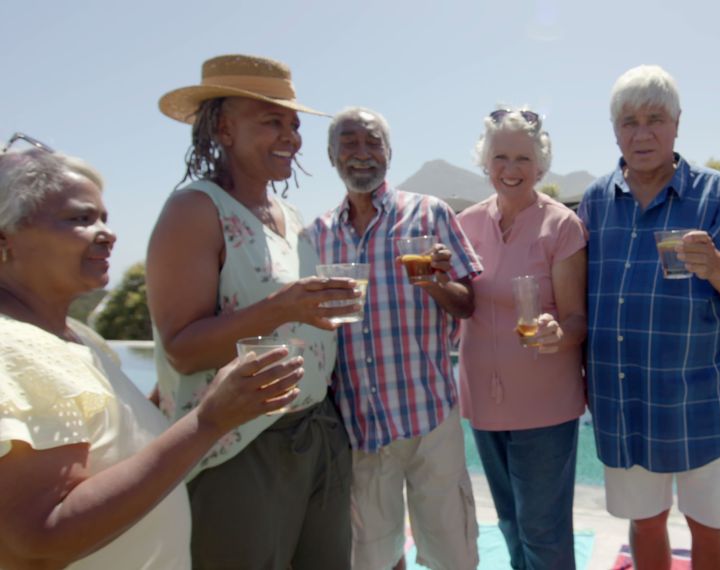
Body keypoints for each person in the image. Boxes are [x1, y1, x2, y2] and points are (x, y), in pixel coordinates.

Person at [0, 147, 304, 569]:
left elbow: (108, 445)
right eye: (80, 219)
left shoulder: (78, 338)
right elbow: (37, 542)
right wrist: (208, 421)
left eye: (104, 218)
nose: (106, 233)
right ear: (4, 240)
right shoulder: (12, 353)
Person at [148, 54, 357, 568]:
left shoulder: (290, 216)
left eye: (293, 124)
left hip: (319, 431)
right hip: (239, 447)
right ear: (222, 126)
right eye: (271, 121)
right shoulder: (195, 211)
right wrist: (284, 307)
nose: (291, 136)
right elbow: (182, 351)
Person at [577, 65, 720, 570]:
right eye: (629, 122)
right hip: (624, 398)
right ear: (614, 129)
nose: (642, 133)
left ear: (677, 124)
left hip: (701, 400)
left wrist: (717, 267)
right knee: (644, 523)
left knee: (709, 528)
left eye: (655, 119)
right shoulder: (594, 204)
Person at [307, 107, 482, 570]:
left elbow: (468, 303)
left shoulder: (430, 214)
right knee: (371, 557)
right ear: (331, 155)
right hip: (361, 423)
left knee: (453, 554)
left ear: (389, 154)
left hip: (429, 415)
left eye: (373, 143)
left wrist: (436, 284)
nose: (362, 154)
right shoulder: (316, 236)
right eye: (349, 143)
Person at [456, 108, 587, 569]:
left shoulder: (561, 226)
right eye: (501, 157)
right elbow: (456, 304)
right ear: (485, 161)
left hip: (545, 404)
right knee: (510, 523)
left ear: (541, 166)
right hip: (483, 403)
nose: (511, 170)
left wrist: (558, 333)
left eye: (523, 159)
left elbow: (576, 320)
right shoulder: (465, 225)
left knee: (543, 530)